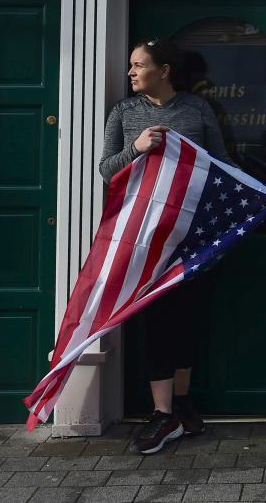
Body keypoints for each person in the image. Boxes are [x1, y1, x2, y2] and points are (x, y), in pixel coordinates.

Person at [99, 37, 232, 454]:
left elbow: (222, 164)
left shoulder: (197, 109)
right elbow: (107, 171)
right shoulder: (124, 112)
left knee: (186, 320)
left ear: (165, 70)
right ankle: (161, 414)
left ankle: (181, 403)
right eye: (131, 66)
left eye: (139, 65)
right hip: (143, 238)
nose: (131, 72)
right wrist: (136, 150)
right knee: (154, 321)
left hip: (190, 234)